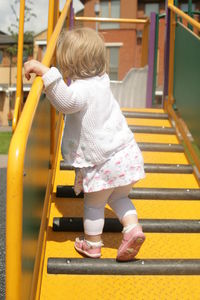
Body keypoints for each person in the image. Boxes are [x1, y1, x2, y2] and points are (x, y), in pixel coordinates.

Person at [24, 27, 146, 261]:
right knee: (119, 197)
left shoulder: (80, 89)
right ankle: (132, 228)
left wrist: (45, 72)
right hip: (126, 156)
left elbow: (65, 102)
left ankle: (92, 244)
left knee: (94, 204)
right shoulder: (102, 83)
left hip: (104, 163)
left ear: (67, 65)